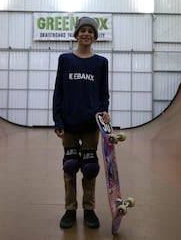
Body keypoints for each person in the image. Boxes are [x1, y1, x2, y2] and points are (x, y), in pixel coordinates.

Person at [52, 16, 110, 229]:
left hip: (91, 124)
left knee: (90, 167)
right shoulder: (65, 59)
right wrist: (57, 119)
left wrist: (104, 112)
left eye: (90, 31)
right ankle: (69, 209)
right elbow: (59, 91)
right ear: (76, 34)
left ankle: (89, 209)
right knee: (70, 166)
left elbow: (104, 94)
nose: (86, 33)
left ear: (95, 36)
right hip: (69, 122)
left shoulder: (101, 63)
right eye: (82, 30)